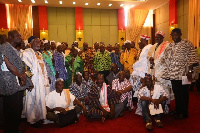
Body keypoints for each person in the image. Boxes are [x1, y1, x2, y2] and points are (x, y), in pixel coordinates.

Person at [160, 28, 199, 119]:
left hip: (185, 74)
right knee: (177, 93)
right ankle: (178, 110)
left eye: (176, 34)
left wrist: (190, 72)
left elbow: (193, 58)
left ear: (180, 34)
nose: (174, 37)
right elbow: (164, 57)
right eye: (173, 35)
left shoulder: (187, 44)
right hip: (173, 75)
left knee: (184, 93)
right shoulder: (170, 45)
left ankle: (184, 113)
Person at [0, 30, 32, 133]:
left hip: (17, 82)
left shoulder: (14, 49)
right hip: (9, 83)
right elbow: (9, 65)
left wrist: (23, 75)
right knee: (11, 110)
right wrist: (21, 76)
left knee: (18, 108)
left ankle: (14, 129)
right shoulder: (4, 47)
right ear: (10, 37)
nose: (20, 37)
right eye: (18, 35)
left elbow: (20, 65)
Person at [22, 36, 50, 127]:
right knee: (32, 100)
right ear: (31, 43)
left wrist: (46, 78)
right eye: (36, 42)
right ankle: (32, 120)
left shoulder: (39, 54)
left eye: (39, 42)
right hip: (33, 81)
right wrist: (29, 82)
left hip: (42, 81)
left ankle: (40, 117)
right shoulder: (27, 53)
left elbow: (43, 68)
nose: (39, 44)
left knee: (41, 99)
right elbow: (25, 68)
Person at [147, 31, 172, 101]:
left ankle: (166, 103)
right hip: (154, 70)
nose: (157, 38)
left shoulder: (167, 45)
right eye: (156, 37)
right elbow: (148, 55)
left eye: (158, 37)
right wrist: (150, 59)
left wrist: (155, 61)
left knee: (164, 86)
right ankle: (157, 100)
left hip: (162, 69)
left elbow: (167, 57)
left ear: (162, 37)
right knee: (156, 86)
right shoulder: (154, 46)